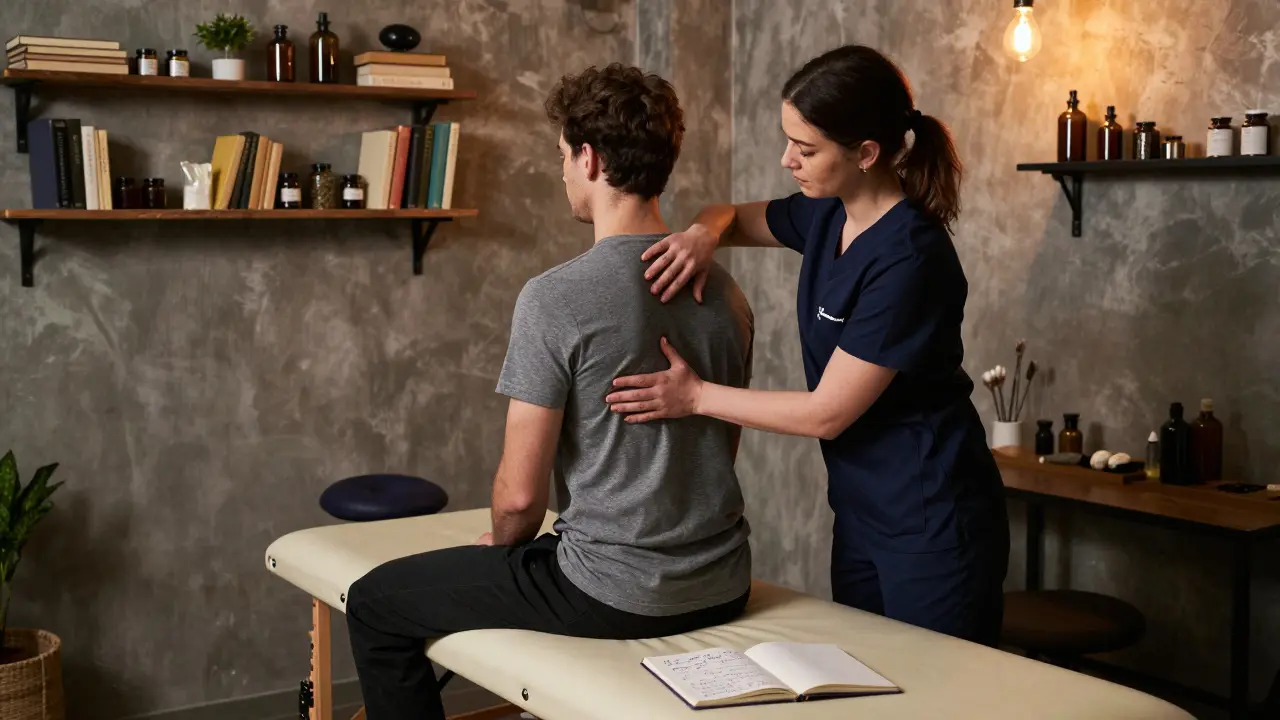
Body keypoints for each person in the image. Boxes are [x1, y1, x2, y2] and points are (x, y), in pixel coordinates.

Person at [343, 62, 757, 720]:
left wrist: (504, 545)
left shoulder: (555, 298)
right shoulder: (727, 296)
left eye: (563, 155)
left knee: (374, 602)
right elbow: (715, 452)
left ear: (590, 159)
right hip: (722, 582)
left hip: (614, 593)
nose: (561, 170)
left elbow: (518, 498)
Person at [604, 44, 1010, 647]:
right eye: (788, 139)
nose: (786, 158)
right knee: (872, 685)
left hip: (933, 518)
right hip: (861, 510)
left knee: (937, 697)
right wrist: (698, 236)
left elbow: (828, 412)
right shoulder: (826, 215)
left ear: (866, 154)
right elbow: (727, 214)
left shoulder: (909, 259)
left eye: (806, 148)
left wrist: (694, 397)